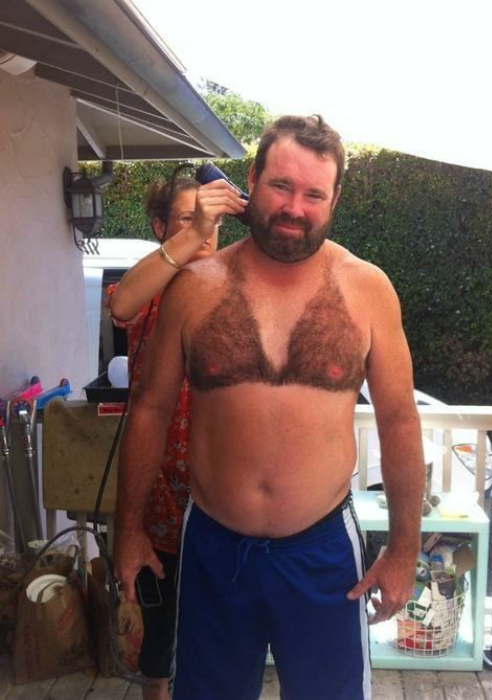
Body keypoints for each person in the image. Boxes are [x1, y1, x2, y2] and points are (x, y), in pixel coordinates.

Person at [115, 115, 426, 700]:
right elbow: (150, 408)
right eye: (281, 185)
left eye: (314, 194)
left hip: (323, 552)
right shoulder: (196, 286)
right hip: (212, 549)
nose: (294, 208)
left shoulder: (367, 290)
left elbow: (399, 420)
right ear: (252, 181)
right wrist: (127, 528)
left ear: (334, 200)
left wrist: (404, 550)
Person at [108, 174, 220, 700]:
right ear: (160, 228)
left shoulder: (230, 285)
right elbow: (121, 305)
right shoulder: (152, 288)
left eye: (212, 220)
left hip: (219, 498)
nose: (206, 230)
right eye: (189, 219)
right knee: (159, 644)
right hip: (160, 501)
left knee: (215, 638)